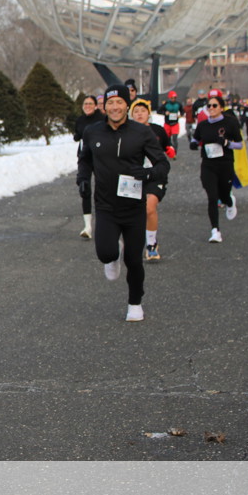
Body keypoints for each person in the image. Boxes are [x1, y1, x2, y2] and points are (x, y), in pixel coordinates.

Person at [77, 84, 170, 322]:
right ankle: (113, 255)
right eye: (110, 103)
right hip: (106, 205)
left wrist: (147, 174)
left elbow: (163, 164)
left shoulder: (141, 132)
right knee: (105, 253)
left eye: (119, 102)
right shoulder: (92, 132)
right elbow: (85, 160)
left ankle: (135, 303)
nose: (115, 107)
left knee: (134, 260)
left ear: (127, 105)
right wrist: (83, 179)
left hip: (133, 206)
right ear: (104, 106)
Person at [191, 95, 243, 243]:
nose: (211, 108)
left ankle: (229, 202)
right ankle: (215, 231)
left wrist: (226, 143)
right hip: (208, 165)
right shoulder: (203, 125)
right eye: (209, 106)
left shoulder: (229, 123)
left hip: (225, 164)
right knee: (212, 197)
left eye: (214, 106)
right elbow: (196, 138)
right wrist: (193, 144)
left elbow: (239, 144)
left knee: (224, 195)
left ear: (221, 107)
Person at [129, 99, 175, 260]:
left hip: (155, 175)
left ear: (148, 113)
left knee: (149, 208)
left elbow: (166, 146)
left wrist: (169, 150)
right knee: (134, 212)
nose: (139, 114)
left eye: (143, 111)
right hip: (135, 176)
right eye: (136, 111)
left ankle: (151, 243)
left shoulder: (157, 130)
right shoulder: (127, 132)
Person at [73, 95, 104, 239]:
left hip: (99, 157)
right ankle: (87, 227)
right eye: (85, 104)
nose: (88, 106)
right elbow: (77, 135)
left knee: (101, 189)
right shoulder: (80, 120)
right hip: (84, 157)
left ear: (96, 106)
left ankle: (102, 223)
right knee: (84, 187)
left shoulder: (102, 119)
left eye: (91, 103)